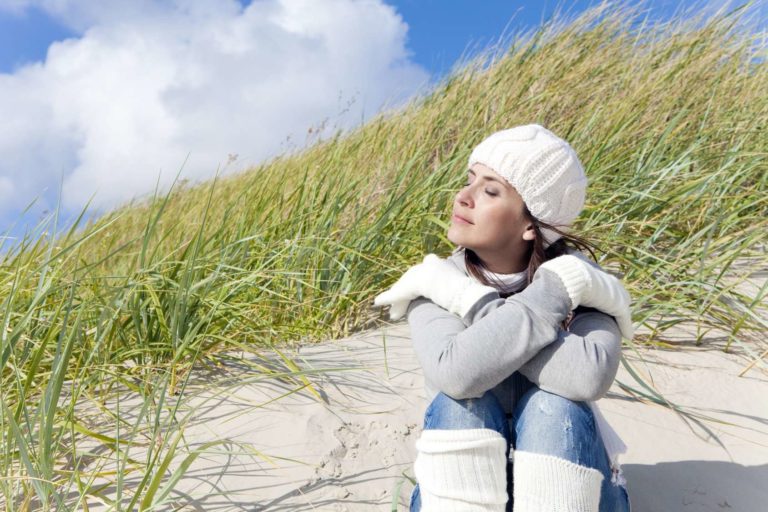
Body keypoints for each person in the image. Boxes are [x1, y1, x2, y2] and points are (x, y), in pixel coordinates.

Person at [374, 124, 633, 512]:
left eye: (490, 190)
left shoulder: (579, 282)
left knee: (555, 406)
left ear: (532, 225)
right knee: (458, 405)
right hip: (464, 486)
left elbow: (588, 376)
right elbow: (457, 372)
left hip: (570, 489)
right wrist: (483, 300)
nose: (462, 198)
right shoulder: (436, 280)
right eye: (469, 181)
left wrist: (549, 290)